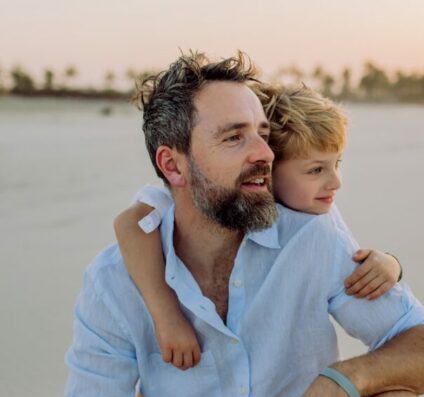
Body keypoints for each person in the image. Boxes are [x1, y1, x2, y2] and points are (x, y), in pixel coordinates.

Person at [64, 51, 424, 397]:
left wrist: (344, 378)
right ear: (172, 165)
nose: (264, 153)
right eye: (235, 137)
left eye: (263, 135)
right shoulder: (114, 281)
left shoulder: (312, 234)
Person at [114, 83, 404, 371]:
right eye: (315, 170)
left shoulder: (318, 221)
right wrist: (166, 314)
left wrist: (391, 264)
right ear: (272, 170)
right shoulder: (216, 196)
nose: (336, 182)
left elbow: (350, 255)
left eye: (336, 164)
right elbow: (130, 223)